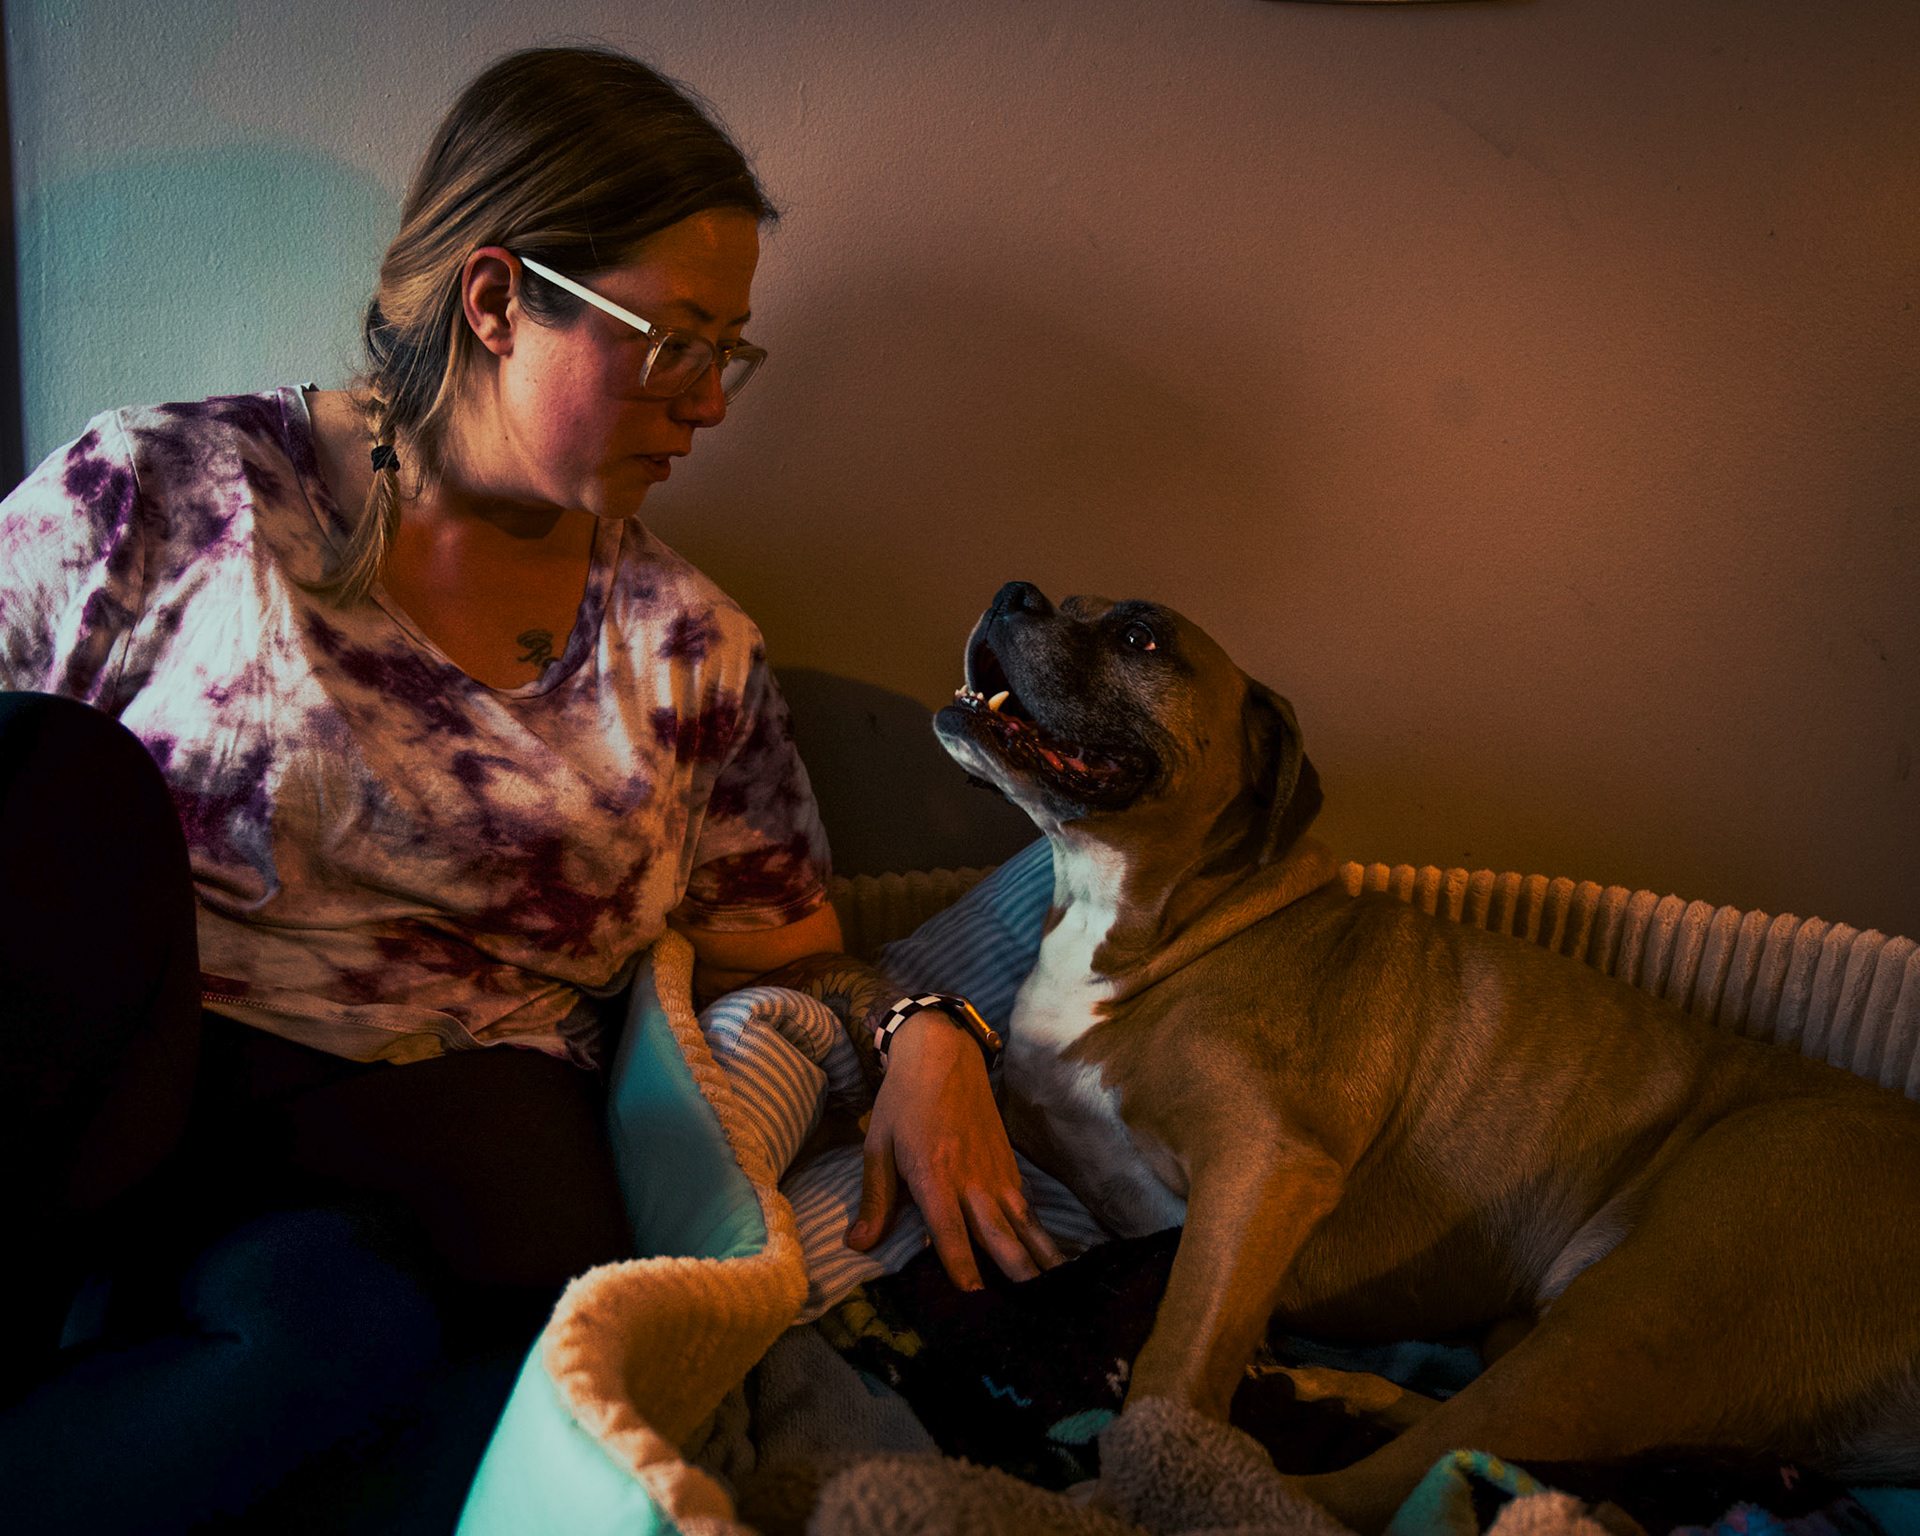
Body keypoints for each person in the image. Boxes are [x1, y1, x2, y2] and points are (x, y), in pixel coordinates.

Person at [0, 45, 1059, 1529]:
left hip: (401, 1177)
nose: (710, 402)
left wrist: (930, 1029)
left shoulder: (686, 653)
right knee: (56, 774)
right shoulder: (169, 491)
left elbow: (793, 959)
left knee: (370, 1338)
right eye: (674, 343)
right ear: (497, 300)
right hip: (108, 1107)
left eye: (730, 352)